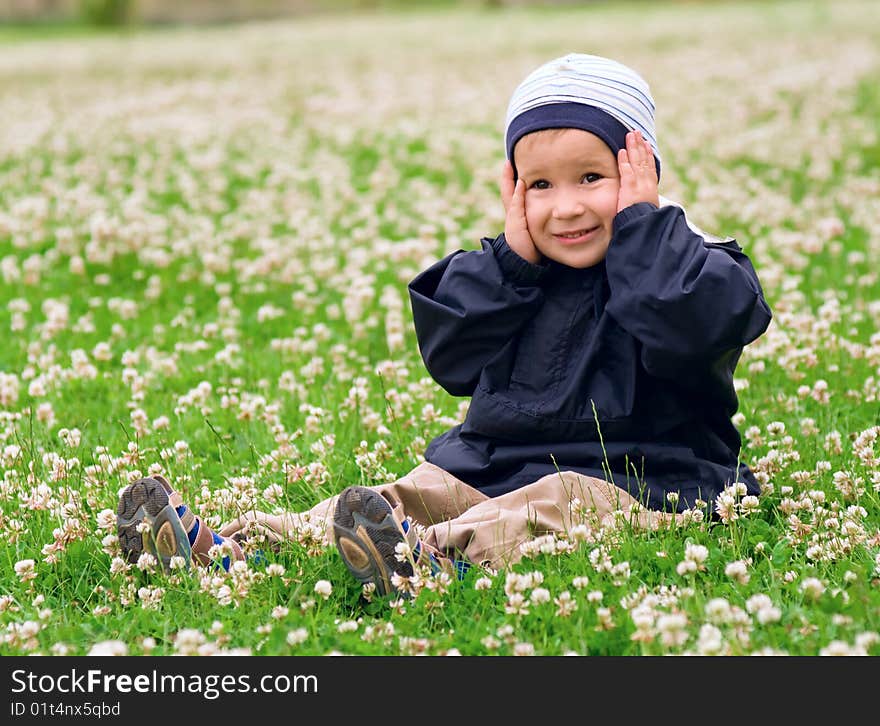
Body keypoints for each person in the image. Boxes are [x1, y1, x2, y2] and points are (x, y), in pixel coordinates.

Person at [117, 53, 772, 598]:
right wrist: (512, 267)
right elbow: (450, 355)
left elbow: (693, 324)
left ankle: (425, 560)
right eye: (539, 184)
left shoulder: (686, 260)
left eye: (592, 179)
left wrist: (642, 231)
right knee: (415, 489)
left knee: (561, 504)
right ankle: (233, 547)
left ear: (644, 171)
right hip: (488, 464)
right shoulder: (511, 268)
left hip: (642, 477)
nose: (566, 207)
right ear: (513, 187)